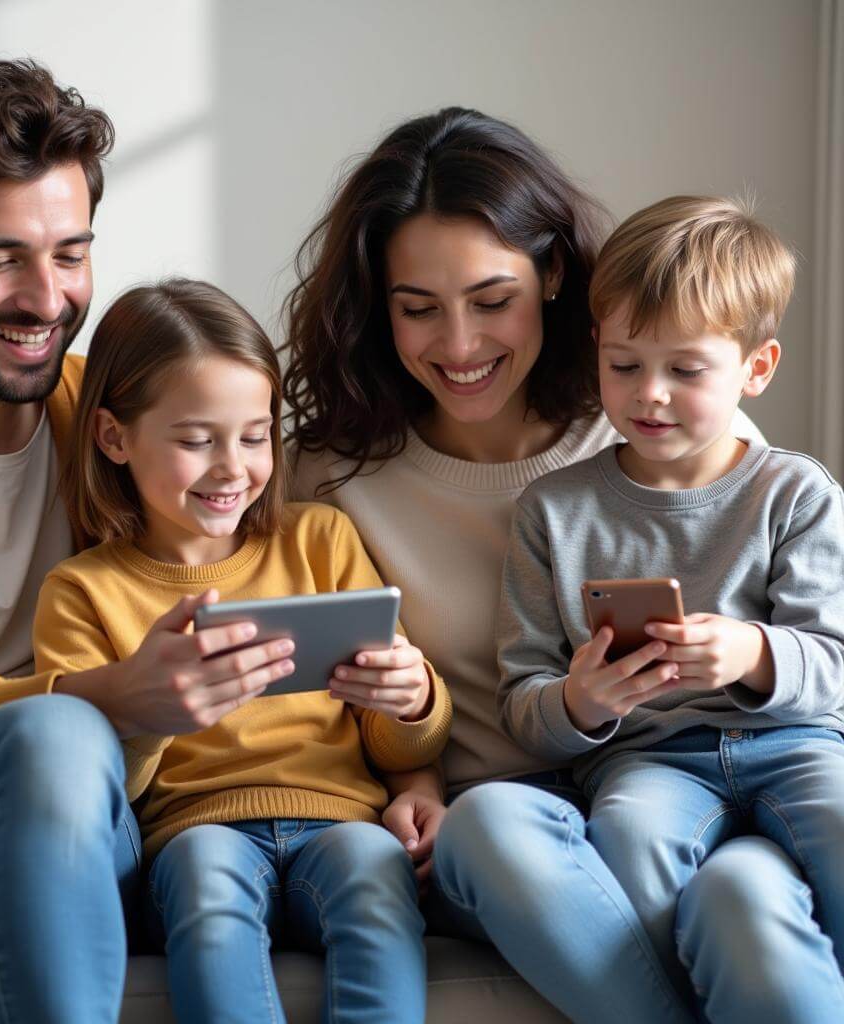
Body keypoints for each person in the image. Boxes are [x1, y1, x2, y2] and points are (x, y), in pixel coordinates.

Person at [0, 59, 291, 1024]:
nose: (47, 299)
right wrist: (105, 696)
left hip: (103, 825)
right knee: (55, 732)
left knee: (73, 750)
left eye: (71, 253)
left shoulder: (122, 424)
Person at [283, 107, 773, 1023]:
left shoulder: (652, 412)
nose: (460, 347)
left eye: (491, 300)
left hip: (680, 795)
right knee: (494, 831)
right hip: (502, 830)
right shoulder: (332, 473)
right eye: (417, 309)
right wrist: (412, 785)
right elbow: (333, 686)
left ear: (552, 273)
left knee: (751, 903)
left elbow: (776, 634)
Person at [33, 278, 453, 1024]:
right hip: (195, 832)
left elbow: (393, 740)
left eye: (255, 435)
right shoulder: (82, 591)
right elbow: (99, 788)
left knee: (375, 885)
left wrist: (413, 695)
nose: (234, 467)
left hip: (342, 822)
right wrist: (153, 706)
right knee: (205, 887)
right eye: (197, 440)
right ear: (114, 437)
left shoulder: (318, 539)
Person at [498, 195, 844, 1023]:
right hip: (649, 764)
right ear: (596, 353)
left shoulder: (793, 492)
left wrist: (753, 654)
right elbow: (521, 702)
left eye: (686, 370)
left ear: (756, 369)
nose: (649, 395)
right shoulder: (552, 511)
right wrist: (581, 703)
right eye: (624, 365)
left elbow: (833, 663)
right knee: (627, 839)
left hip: (794, 746)